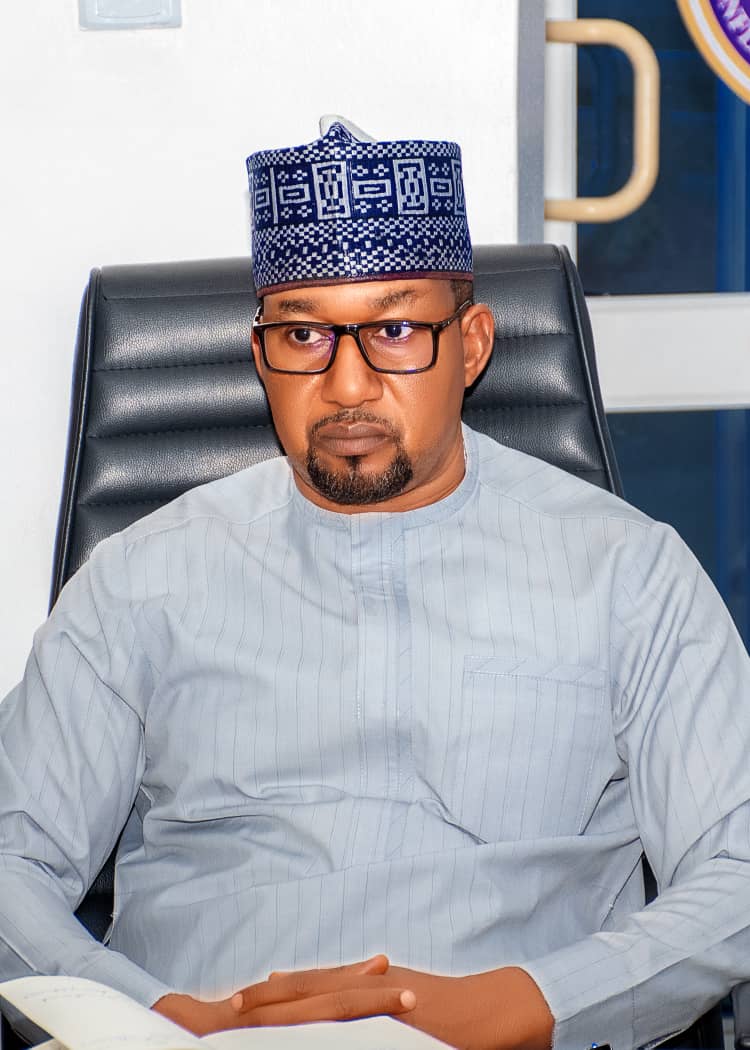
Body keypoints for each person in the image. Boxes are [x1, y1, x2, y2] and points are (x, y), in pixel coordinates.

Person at [1, 116, 750, 1050]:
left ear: (471, 344)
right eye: (304, 335)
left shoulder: (626, 572)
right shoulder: (138, 580)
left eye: (395, 331)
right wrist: (152, 1019)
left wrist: (534, 1005)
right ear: (260, 354)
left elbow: (738, 866)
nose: (348, 386)